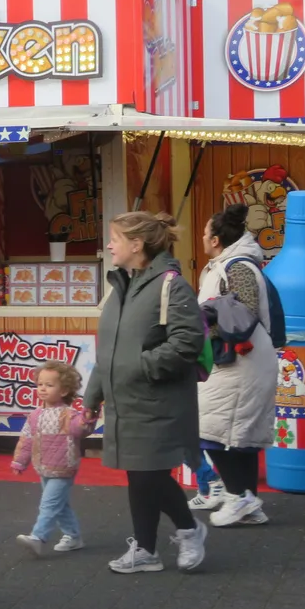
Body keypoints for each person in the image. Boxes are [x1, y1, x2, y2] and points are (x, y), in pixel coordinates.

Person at [83, 211, 208, 574]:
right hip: (127, 401)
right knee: (138, 473)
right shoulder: (124, 285)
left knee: (149, 473)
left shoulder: (171, 285)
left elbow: (188, 342)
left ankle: (189, 529)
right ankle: (146, 549)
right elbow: (107, 354)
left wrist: (140, 367)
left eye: (115, 239)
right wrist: (93, 398)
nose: (109, 245)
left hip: (157, 401)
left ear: (137, 245)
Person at [195, 203, 277, 526]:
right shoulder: (232, 264)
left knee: (208, 431)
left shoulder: (236, 266)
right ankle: (248, 503)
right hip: (245, 359)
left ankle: (239, 496)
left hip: (241, 360)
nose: (202, 237)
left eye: (205, 233)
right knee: (241, 436)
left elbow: (244, 313)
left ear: (216, 240)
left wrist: (198, 330)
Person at [11, 361, 95, 556]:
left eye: (49, 385)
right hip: (43, 467)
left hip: (63, 468)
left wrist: (88, 418)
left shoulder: (69, 415)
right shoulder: (34, 415)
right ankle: (73, 536)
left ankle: (38, 537)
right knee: (60, 504)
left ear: (64, 390)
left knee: (49, 504)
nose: (42, 388)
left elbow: (80, 429)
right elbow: (26, 440)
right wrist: (19, 461)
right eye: (40, 384)